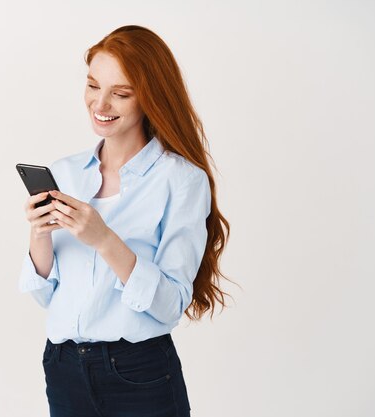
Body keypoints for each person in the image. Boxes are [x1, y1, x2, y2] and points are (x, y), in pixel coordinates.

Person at [19, 25, 231, 417]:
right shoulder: (65, 172)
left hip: (139, 373)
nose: (101, 104)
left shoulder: (181, 181)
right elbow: (45, 295)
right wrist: (39, 233)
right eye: (93, 86)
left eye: (121, 93)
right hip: (63, 368)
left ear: (150, 99)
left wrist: (103, 238)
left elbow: (169, 306)